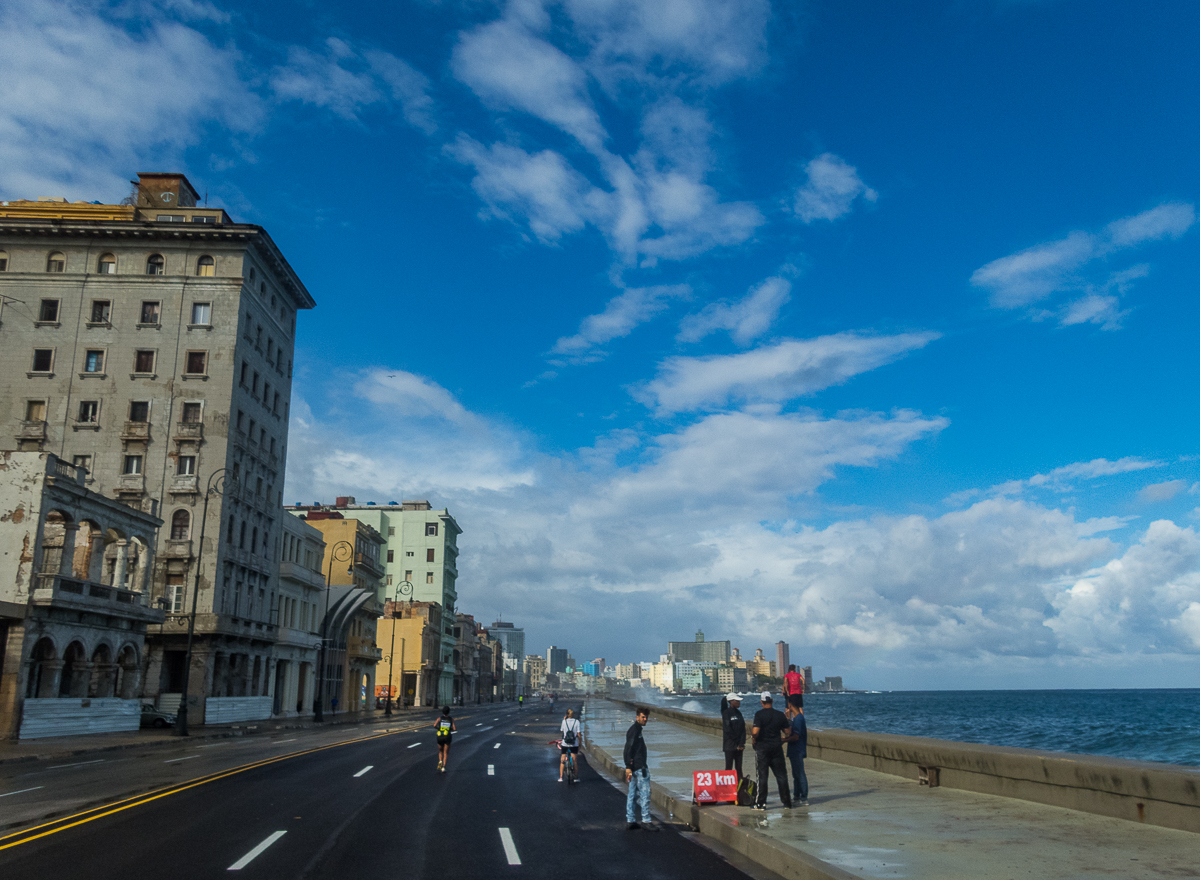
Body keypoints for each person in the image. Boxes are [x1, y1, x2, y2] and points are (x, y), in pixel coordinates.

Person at [750, 692, 792, 810]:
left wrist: (753, 737)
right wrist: (787, 720)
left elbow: (755, 732)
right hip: (777, 748)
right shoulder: (779, 715)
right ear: (772, 701)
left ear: (761, 702)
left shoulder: (759, 714)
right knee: (781, 776)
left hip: (762, 749)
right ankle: (787, 802)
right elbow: (787, 732)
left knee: (762, 777)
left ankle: (760, 803)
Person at [623, 708, 658, 831]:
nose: (645, 719)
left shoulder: (635, 730)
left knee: (632, 794)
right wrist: (628, 766)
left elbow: (629, 749)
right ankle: (646, 820)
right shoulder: (635, 730)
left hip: (633, 768)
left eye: (646, 717)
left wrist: (629, 767)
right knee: (645, 794)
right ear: (637, 717)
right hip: (638, 768)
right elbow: (628, 749)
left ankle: (631, 820)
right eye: (643, 717)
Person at [785, 703, 809, 805]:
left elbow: (795, 736)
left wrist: (784, 740)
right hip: (795, 750)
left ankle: (803, 797)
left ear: (790, 705)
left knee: (800, 773)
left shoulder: (798, 719)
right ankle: (796, 796)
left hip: (797, 750)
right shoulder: (798, 718)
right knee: (796, 774)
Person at [720, 692, 746, 779]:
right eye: (737, 701)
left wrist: (742, 743)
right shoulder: (726, 713)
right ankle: (728, 788)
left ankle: (740, 787)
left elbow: (743, 729)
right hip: (729, 745)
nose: (739, 702)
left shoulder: (739, 713)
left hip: (739, 746)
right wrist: (737, 741)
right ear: (731, 701)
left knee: (739, 767)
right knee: (729, 767)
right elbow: (728, 729)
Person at [559, 708, 582, 782]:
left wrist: (564, 720)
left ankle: (561, 777)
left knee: (562, 759)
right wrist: (580, 743)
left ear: (567, 714)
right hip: (574, 743)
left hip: (565, 743)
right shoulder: (577, 722)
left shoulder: (564, 721)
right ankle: (575, 777)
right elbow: (579, 734)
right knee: (574, 760)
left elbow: (562, 731)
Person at [435, 705, 456, 772]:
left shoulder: (439, 718)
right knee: (445, 752)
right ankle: (443, 767)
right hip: (447, 736)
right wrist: (450, 729)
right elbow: (454, 729)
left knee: (440, 751)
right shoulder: (451, 719)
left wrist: (439, 729)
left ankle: (440, 761)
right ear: (449, 712)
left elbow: (434, 725)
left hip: (440, 736)